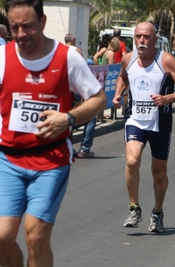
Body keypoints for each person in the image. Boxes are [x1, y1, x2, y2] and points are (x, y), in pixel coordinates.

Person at [0, 0, 107, 266]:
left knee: (35, 235)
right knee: (2, 238)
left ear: (43, 22)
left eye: (28, 26)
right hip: (8, 161)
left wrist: (68, 117)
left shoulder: (67, 56)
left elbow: (98, 99)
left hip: (50, 160)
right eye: (14, 27)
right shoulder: (2, 57)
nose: (21, 34)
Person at [112, 22, 175, 233]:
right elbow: (122, 77)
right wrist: (118, 94)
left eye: (146, 37)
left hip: (160, 123)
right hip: (135, 120)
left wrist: (167, 98)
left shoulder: (166, 60)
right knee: (132, 160)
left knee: (159, 171)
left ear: (155, 39)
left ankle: (157, 212)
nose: (141, 41)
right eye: (138, 36)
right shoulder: (127, 59)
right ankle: (133, 208)